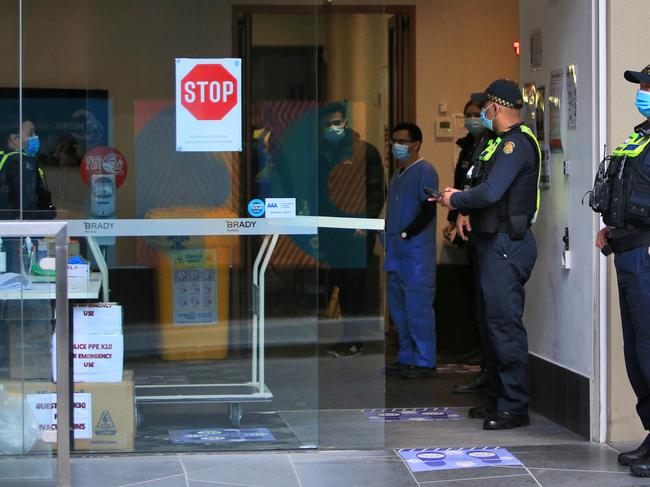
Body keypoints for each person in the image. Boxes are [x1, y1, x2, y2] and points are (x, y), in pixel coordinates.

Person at [438, 79, 541, 429]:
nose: (481, 112)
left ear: (495, 107)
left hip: (506, 246)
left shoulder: (517, 145)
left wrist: (456, 201)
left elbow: (492, 191)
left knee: (504, 325)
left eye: (484, 106)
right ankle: (497, 397)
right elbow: (478, 184)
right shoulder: (491, 143)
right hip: (486, 242)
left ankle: (514, 406)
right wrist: (465, 209)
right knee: (489, 325)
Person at [592, 64, 650, 478]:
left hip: (646, 254)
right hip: (628, 249)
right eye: (642, 86)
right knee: (637, 350)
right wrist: (612, 226)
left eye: (648, 86)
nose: (642, 92)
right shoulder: (642, 135)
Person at [318, 102, 385, 358]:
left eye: (337, 122)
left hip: (357, 230)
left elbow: (377, 191)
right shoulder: (322, 153)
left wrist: (366, 224)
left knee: (355, 285)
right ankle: (348, 338)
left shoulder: (365, 152)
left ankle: (354, 340)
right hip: (332, 231)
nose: (333, 128)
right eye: (328, 124)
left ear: (345, 123)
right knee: (341, 285)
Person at [445, 95, 493, 395]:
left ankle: (489, 369)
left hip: (491, 233)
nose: (472, 119)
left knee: (492, 306)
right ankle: (482, 359)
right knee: (475, 296)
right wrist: (455, 215)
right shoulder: (468, 147)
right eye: (468, 115)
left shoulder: (500, 145)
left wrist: (462, 207)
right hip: (470, 228)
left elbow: (484, 190)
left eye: (477, 114)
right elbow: (463, 183)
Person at [384, 122, 438, 379]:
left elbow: (428, 210)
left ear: (416, 144)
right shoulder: (397, 175)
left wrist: (407, 233)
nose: (397, 146)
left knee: (417, 309)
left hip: (415, 253)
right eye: (394, 141)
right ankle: (406, 356)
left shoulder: (425, 171)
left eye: (402, 141)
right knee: (399, 308)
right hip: (396, 253)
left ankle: (424, 360)